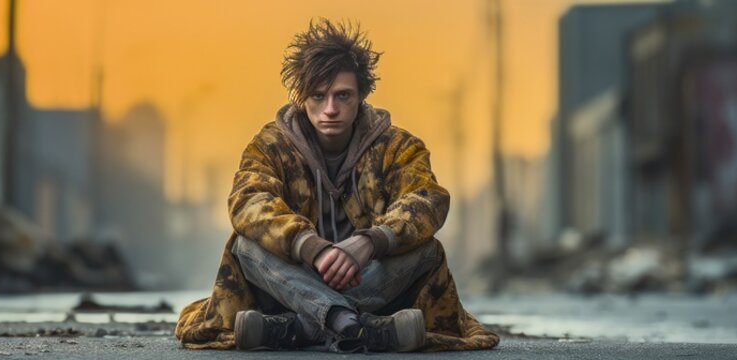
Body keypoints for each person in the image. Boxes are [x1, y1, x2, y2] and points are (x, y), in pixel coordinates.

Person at [174, 18, 498, 353]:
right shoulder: (270, 145)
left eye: (343, 96)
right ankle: (359, 327)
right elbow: (248, 200)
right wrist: (309, 246)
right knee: (245, 246)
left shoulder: (398, 146)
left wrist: (369, 243)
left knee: (426, 250)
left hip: (371, 278)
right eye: (319, 95)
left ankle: (303, 328)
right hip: (291, 283)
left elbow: (427, 199)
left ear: (361, 96)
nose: (330, 109)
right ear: (302, 97)